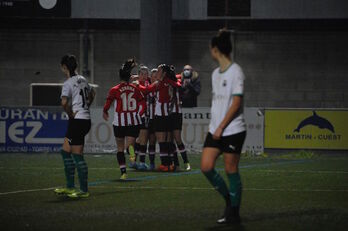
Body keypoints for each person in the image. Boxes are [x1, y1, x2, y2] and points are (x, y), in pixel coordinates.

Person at [200, 29, 246, 224]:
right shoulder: (214, 74)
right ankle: (229, 201)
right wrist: (214, 127)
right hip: (215, 130)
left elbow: (236, 104)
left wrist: (221, 127)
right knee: (206, 166)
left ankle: (234, 213)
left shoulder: (236, 71)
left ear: (216, 49)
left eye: (212, 48)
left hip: (233, 130)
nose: (210, 51)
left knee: (230, 170)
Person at [54, 54, 95, 198]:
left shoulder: (68, 83)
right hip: (84, 120)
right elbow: (92, 93)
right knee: (66, 151)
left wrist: (70, 113)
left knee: (77, 155)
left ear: (64, 67)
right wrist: (86, 106)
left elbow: (64, 103)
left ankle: (83, 190)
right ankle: (70, 187)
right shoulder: (83, 79)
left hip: (77, 121)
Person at [103, 58, 144, 180]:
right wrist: (140, 113)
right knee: (130, 146)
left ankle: (123, 172)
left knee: (120, 148)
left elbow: (107, 104)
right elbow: (143, 103)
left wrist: (105, 111)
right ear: (129, 77)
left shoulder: (114, 89)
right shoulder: (136, 89)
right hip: (133, 121)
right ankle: (132, 157)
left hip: (119, 122)